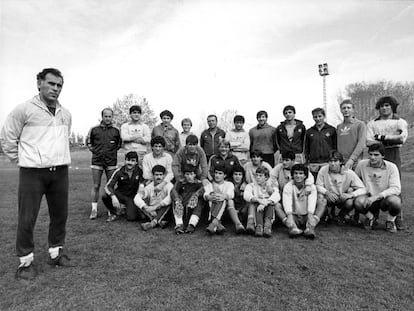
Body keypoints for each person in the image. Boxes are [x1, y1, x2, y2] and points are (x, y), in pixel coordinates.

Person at [0, 68, 73, 279]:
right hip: (32, 173)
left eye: (59, 85)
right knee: (27, 217)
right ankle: (25, 262)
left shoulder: (65, 113)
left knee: (60, 215)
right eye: (51, 84)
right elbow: (8, 140)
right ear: (39, 83)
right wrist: (23, 161)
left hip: (60, 172)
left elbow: (62, 139)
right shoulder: (23, 109)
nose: (56, 89)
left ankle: (56, 253)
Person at [366, 96, 408, 230]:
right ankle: (374, 215)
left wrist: (381, 137)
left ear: (392, 107)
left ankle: (397, 217)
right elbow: (369, 141)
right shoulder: (372, 123)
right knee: (373, 182)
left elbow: (401, 138)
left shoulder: (400, 122)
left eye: (387, 106)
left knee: (395, 184)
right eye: (382, 106)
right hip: (376, 154)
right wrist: (390, 138)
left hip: (393, 153)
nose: (384, 108)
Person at [354, 143, 402, 233]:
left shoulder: (391, 167)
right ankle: (370, 218)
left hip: (384, 198)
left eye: (376, 155)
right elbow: (355, 181)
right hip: (368, 197)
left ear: (383, 156)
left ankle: (390, 221)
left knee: (396, 201)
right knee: (358, 201)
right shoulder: (362, 164)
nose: (372, 157)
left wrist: (378, 196)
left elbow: (396, 188)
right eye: (370, 154)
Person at [86, 108, 122, 220]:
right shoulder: (94, 129)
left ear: (112, 117)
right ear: (102, 117)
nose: (108, 118)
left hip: (111, 162)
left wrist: (110, 153)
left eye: (110, 116)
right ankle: (94, 209)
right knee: (96, 185)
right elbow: (88, 142)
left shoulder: (116, 131)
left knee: (109, 186)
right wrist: (96, 151)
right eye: (105, 116)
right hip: (97, 161)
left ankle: (110, 210)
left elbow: (119, 145)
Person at [315, 151, 366, 224]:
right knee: (320, 196)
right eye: (330, 161)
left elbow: (363, 189)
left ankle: (342, 215)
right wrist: (326, 192)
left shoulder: (348, 172)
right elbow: (318, 185)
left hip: (342, 197)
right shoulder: (323, 170)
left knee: (350, 202)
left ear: (341, 162)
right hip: (329, 196)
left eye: (335, 161)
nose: (332, 164)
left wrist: (351, 194)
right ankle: (325, 215)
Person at [102, 151, 145, 222]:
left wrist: (141, 185)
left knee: (131, 218)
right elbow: (108, 186)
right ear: (125, 160)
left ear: (136, 162)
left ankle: (124, 209)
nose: (130, 163)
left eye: (133, 161)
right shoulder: (119, 171)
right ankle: (114, 213)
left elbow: (145, 181)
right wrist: (113, 196)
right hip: (120, 194)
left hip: (131, 197)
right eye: (128, 160)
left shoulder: (139, 171)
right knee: (105, 196)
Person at [282, 164, 320, 239]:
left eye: (301, 173)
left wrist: (310, 215)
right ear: (292, 175)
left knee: (322, 201)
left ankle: (310, 228)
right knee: (277, 206)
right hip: (294, 215)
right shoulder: (288, 186)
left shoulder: (311, 187)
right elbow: (287, 202)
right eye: (296, 173)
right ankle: (293, 227)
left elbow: (312, 201)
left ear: (305, 176)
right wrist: (289, 216)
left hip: (307, 215)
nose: (298, 176)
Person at [134, 165, 174, 231]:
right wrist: (145, 207)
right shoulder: (149, 186)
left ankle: (152, 223)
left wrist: (156, 207)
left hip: (164, 210)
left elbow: (169, 198)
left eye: (161, 175)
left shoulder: (169, 185)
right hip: (151, 211)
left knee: (167, 202)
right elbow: (137, 197)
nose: (159, 177)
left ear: (164, 175)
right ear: (153, 175)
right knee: (141, 201)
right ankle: (160, 221)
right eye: (156, 175)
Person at [243, 166, 280, 237]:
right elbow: (247, 195)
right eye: (256, 175)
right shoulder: (251, 185)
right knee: (255, 204)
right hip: (256, 208)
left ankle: (267, 226)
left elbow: (277, 196)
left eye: (260, 176)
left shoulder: (271, 187)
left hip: (267, 208)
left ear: (266, 178)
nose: (258, 177)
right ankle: (259, 226)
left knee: (271, 204)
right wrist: (259, 200)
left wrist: (265, 203)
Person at [170, 165, 205, 234]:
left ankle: (192, 224)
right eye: (187, 174)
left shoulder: (198, 183)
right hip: (183, 203)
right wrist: (177, 200)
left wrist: (196, 195)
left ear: (195, 174)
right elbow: (173, 191)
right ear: (184, 175)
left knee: (199, 200)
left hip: (193, 205)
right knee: (176, 200)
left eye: (191, 174)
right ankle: (179, 224)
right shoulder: (180, 182)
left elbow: (203, 189)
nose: (189, 176)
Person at [304, 108, 337, 179]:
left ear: (324, 116)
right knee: (315, 183)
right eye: (315, 117)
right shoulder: (309, 131)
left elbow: (335, 147)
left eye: (320, 116)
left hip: (327, 162)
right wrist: (306, 162)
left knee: (327, 183)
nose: (318, 119)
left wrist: (333, 160)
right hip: (313, 163)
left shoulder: (331, 130)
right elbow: (306, 148)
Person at [203, 165, 235, 235]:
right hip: (212, 208)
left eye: (220, 173)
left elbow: (231, 195)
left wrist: (223, 196)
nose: (217, 175)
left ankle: (213, 223)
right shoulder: (210, 185)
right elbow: (205, 195)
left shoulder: (229, 184)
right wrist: (209, 197)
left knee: (222, 199)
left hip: (225, 211)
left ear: (225, 175)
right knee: (215, 196)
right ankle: (218, 225)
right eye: (216, 173)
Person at [337, 99, 366, 170]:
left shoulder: (360, 124)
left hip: (355, 162)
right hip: (342, 163)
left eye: (348, 108)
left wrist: (352, 159)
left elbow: (361, 144)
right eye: (344, 108)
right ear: (341, 110)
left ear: (353, 110)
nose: (346, 110)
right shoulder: (339, 127)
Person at [229, 165, 249, 234]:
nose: (237, 176)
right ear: (232, 175)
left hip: (243, 211)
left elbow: (247, 201)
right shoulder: (229, 184)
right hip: (231, 211)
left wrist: (241, 210)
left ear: (243, 176)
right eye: (235, 174)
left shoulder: (246, 185)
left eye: (240, 174)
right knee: (229, 201)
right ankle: (238, 225)